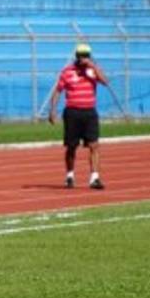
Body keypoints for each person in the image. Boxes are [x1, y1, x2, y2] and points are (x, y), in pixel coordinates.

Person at [48, 43, 108, 190]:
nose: (83, 58)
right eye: (81, 55)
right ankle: (69, 176)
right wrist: (53, 110)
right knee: (71, 147)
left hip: (89, 112)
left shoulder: (93, 71)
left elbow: (105, 81)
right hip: (72, 112)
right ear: (76, 56)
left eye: (86, 55)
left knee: (94, 145)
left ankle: (94, 178)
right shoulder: (68, 71)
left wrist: (92, 66)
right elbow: (58, 91)